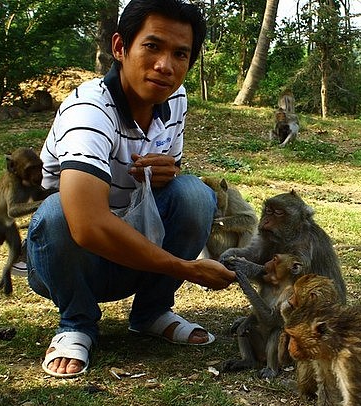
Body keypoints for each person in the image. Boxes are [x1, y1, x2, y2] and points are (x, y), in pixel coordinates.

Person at [26, 0, 236, 378]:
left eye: (180, 54)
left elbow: (168, 178)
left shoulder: (175, 99)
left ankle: (152, 312)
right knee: (60, 212)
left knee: (194, 194)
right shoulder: (88, 111)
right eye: (152, 47)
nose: (165, 66)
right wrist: (186, 268)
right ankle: (77, 323)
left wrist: (168, 172)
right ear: (120, 47)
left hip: (135, 252)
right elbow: (87, 225)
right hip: (71, 262)